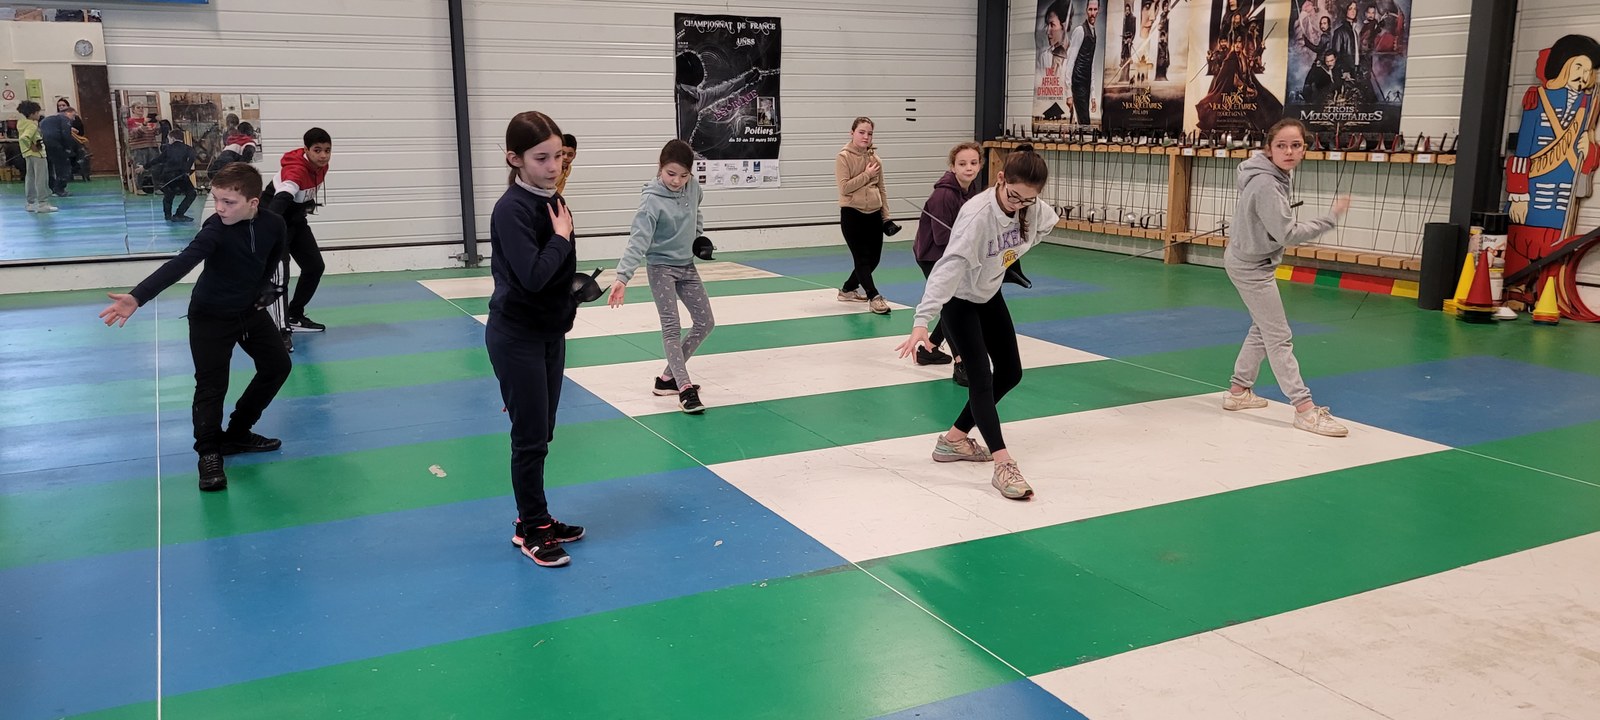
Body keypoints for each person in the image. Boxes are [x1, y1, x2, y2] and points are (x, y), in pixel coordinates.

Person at [97, 163, 291, 492]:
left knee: (277, 366)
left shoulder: (274, 224)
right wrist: (138, 297)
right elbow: (183, 262)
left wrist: (263, 287)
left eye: (228, 202)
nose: (219, 208)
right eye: (216, 199)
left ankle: (238, 433)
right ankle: (209, 453)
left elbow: (273, 256)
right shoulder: (216, 229)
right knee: (212, 386)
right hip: (210, 316)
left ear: (253, 202)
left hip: (248, 312)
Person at [896, 145, 1060, 501]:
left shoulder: (1032, 208)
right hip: (958, 300)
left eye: (1028, 199)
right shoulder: (976, 216)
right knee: (980, 378)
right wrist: (922, 320)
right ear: (1001, 179)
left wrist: (1008, 259)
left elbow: (1047, 223)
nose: (1019, 205)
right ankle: (1003, 464)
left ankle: (954, 439)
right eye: (1014, 196)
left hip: (988, 293)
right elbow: (948, 267)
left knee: (1011, 373)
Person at [486, 110, 585, 568]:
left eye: (559, 156)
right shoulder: (512, 209)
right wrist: (561, 239)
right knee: (529, 438)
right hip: (516, 336)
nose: (553, 166)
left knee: (542, 431)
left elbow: (554, 274)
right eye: (541, 158)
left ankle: (533, 517)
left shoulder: (554, 200)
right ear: (515, 159)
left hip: (548, 333)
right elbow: (531, 275)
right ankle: (533, 528)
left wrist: (573, 292)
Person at [1222, 118, 1352, 437]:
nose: (1289, 151)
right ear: (1270, 148)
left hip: (1250, 259)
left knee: (1262, 327)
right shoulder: (1267, 182)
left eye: (1296, 145)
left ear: (1304, 149)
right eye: (1282, 145)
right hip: (1251, 266)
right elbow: (1286, 234)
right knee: (1279, 336)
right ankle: (1304, 410)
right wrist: (1329, 219)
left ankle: (1238, 391)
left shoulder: (1269, 173)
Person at [607, 139, 715, 415]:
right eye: (670, 173)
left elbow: (697, 210)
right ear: (660, 166)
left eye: (683, 175)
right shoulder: (651, 200)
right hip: (661, 268)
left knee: (706, 322)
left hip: (687, 265)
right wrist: (622, 277)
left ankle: (667, 379)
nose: (677, 181)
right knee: (671, 327)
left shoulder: (693, 187)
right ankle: (685, 388)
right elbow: (638, 240)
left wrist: (698, 238)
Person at [912, 141, 985, 384]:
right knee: (953, 306)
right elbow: (942, 237)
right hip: (933, 255)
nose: (969, 168)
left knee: (955, 304)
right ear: (953, 166)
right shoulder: (943, 195)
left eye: (973, 163)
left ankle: (929, 348)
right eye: (962, 164)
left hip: (957, 254)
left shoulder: (972, 190)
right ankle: (961, 362)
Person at [263, 127, 333, 335]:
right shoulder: (296, 170)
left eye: (327, 150)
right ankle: (280, 327)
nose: (323, 155)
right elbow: (284, 195)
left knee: (315, 267)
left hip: (296, 220)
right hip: (275, 219)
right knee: (280, 276)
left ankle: (294, 315)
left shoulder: (322, 166)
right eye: (317, 150)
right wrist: (267, 229)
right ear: (306, 149)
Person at [835, 116, 897, 315]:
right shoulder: (843, 157)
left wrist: (886, 217)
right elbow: (844, 188)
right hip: (852, 214)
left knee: (874, 259)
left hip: (874, 215)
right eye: (861, 132)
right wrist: (867, 175)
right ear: (852, 133)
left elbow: (882, 189)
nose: (866, 136)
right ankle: (874, 296)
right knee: (861, 258)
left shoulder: (875, 159)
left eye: (869, 133)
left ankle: (847, 289)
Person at [145, 127, 199, 223]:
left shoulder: (168, 149)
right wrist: (187, 170)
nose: (168, 141)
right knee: (191, 194)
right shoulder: (188, 148)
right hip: (181, 176)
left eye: (169, 139)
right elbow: (192, 158)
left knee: (168, 195)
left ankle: (168, 216)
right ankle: (179, 214)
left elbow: (158, 160)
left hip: (167, 176)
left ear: (173, 139)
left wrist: (145, 167)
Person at [16, 101, 57, 214]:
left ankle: (30, 203)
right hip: (38, 155)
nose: (39, 115)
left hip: (28, 155)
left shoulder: (21, 123)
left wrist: (27, 147)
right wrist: (32, 145)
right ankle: (43, 204)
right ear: (32, 113)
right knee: (41, 179)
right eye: (38, 112)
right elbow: (24, 137)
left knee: (30, 178)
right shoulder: (32, 125)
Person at [1069, 0, 1100, 126]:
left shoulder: (1093, 34)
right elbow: (1070, 61)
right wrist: (1068, 94)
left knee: (1084, 124)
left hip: (1086, 84)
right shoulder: (1080, 31)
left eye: (1095, 9)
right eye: (1090, 9)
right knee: (1085, 123)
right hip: (1078, 83)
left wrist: (1093, 95)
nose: (1092, 13)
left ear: (1098, 11)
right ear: (1086, 10)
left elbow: (1090, 65)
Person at [38, 105, 78, 197]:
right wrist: (68, 148)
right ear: (67, 113)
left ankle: (52, 188)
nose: (74, 119)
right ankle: (60, 189)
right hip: (57, 144)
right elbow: (65, 134)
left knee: (49, 168)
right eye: (73, 115)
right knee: (64, 166)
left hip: (44, 144)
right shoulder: (64, 119)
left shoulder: (47, 119)